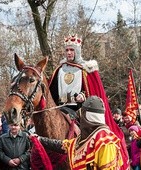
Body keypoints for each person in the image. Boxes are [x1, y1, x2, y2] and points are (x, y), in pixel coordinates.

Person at [49, 34, 129, 169]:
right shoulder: (59, 70)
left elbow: (94, 95)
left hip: (81, 110)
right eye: (67, 50)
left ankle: (86, 153)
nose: (69, 53)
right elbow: (52, 93)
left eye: (72, 50)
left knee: (85, 132)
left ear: (77, 51)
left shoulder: (86, 69)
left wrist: (83, 97)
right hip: (60, 108)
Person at [30, 96, 124, 169]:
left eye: (81, 113)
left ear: (87, 117)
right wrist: (40, 139)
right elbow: (63, 146)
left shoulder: (104, 141)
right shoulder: (84, 138)